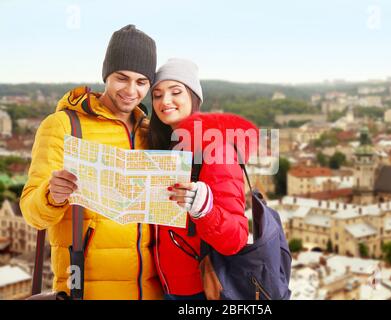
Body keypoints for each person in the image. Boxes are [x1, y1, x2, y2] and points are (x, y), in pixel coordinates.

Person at [20, 25, 163, 300]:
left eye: (142, 82)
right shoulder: (63, 125)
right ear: (106, 75)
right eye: (122, 78)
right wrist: (52, 195)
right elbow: (31, 213)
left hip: (154, 292)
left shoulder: (150, 132)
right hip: (88, 290)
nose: (131, 90)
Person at [149, 58, 258, 299]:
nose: (164, 101)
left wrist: (205, 210)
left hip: (202, 288)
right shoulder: (165, 146)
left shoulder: (216, 150)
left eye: (175, 92)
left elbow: (236, 239)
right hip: (164, 285)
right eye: (156, 95)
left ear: (193, 98)